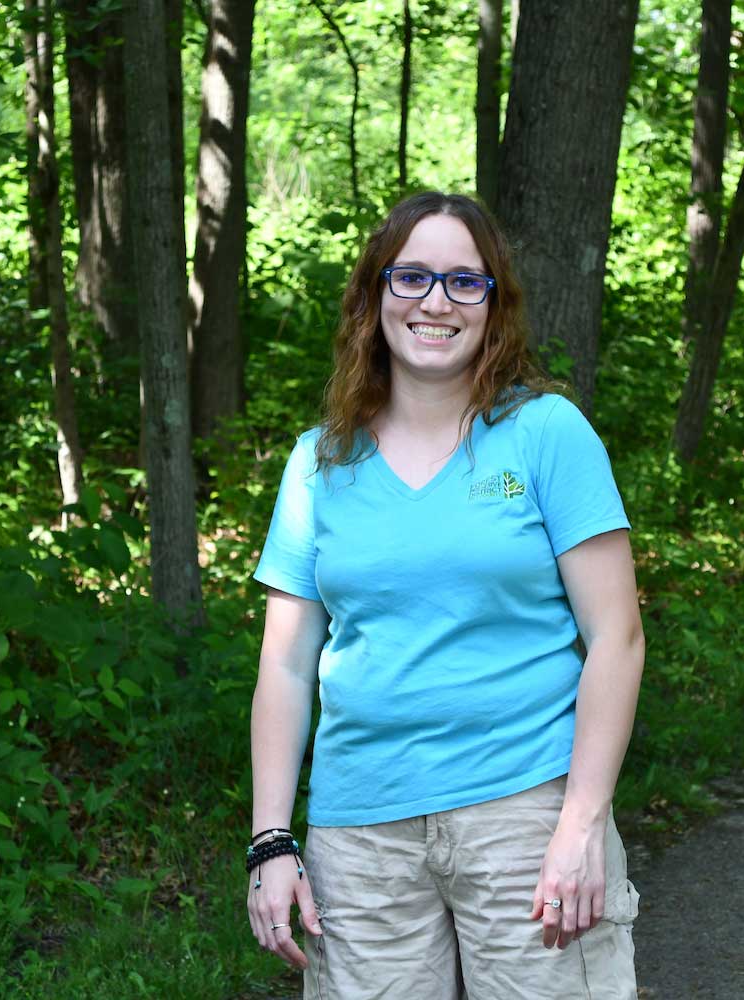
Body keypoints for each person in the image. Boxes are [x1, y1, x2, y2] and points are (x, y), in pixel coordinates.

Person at [246, 191, 645, 999]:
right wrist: (269, 841)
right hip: (358, 836)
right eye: (413, 277)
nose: (436, 301)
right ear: (374, 295)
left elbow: (617, 638)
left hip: (527, 817)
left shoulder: (546, 434)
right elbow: (286, 667)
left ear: (495, 305)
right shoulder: (318, 464)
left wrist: (581, 824)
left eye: (466, 282)